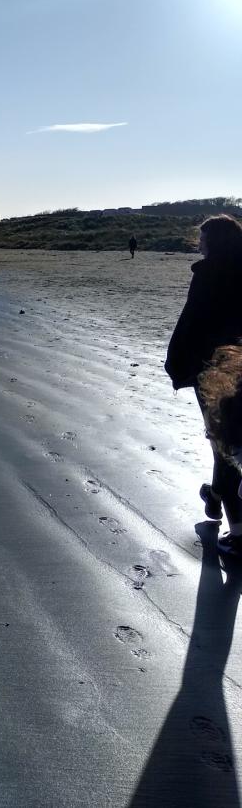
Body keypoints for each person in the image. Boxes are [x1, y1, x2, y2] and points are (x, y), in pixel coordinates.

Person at [166, 215, 242, 555]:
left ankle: (238, 533)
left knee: (225, 444)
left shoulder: (208, 276)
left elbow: (191, 322)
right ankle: (214, 496)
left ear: (213, 242)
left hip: (217, 368)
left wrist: (176, 364)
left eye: (203, 239)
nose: (199, 244)